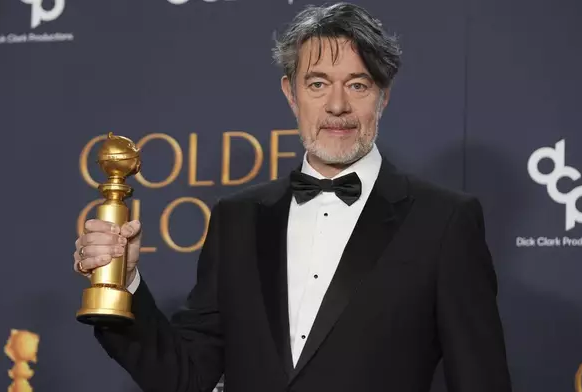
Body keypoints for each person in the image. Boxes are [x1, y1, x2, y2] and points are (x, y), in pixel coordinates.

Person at [73, 3, 512, 391]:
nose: (337, 105)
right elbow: (186, 377)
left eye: (357, 85)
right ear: (291, 93)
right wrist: (123, 282)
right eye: (318, 84)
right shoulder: (237, 218)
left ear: (383, 96)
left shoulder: (444, 221)